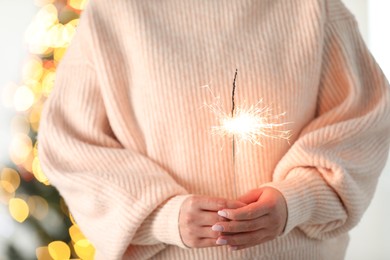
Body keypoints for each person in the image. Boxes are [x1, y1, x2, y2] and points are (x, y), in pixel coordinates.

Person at [38, 0, 390, 259]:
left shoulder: (316, 8)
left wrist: (296, 199)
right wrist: (161, 215)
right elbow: (71, 145)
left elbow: (363, 121)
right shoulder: (112, 15)